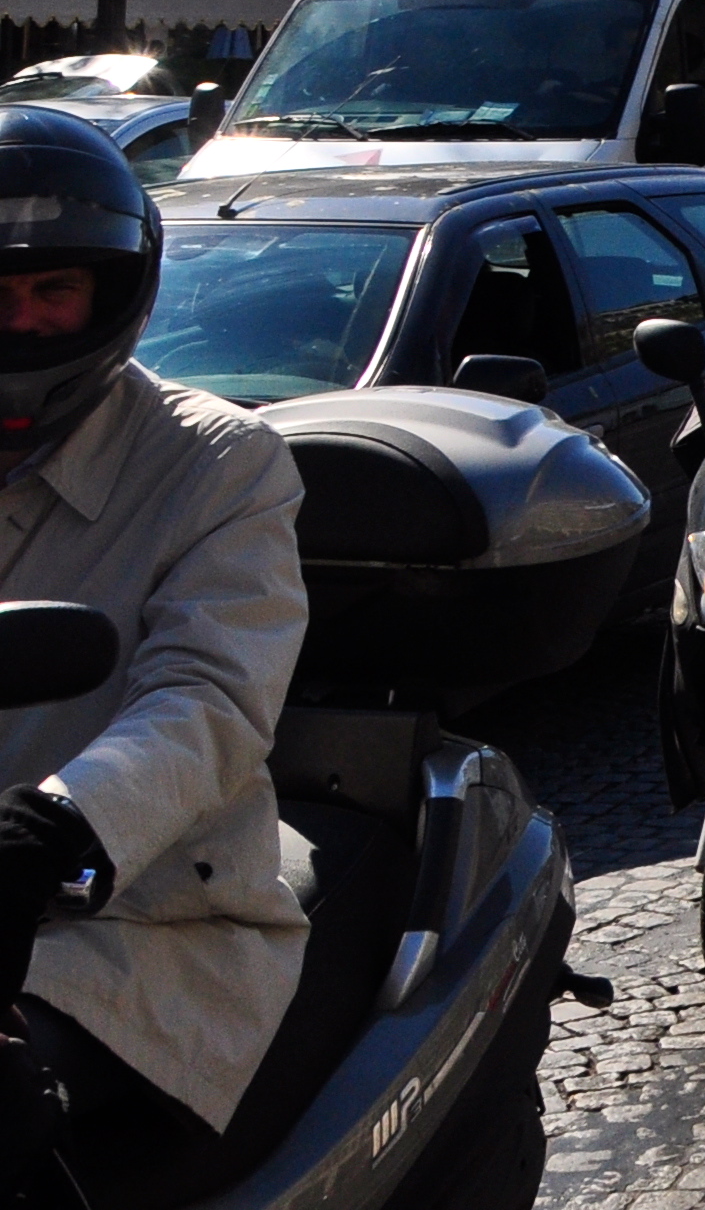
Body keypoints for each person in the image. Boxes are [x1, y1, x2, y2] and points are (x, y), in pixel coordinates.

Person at [0, 108, 308, 1210]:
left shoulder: (218, 461)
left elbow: (211, 695)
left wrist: (57, 822)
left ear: (115, 293)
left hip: (132, 917)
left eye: (53, 291)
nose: (22, 322)